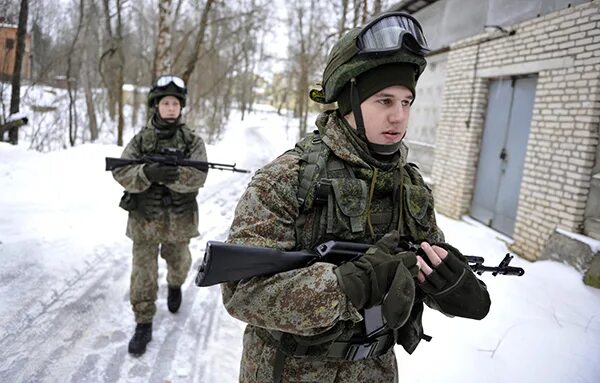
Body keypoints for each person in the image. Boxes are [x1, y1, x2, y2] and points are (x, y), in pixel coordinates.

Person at [221, 12, 491, 383]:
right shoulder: (288, 178)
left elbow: (427, 259)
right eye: (384, 101)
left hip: (376, 370)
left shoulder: (409, 185)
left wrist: (454, 286)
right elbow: (242, 293)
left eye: (407, 102)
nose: (399, 117)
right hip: (288, 372)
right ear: (349, 100)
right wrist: (346, 285)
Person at [112, 74, 208, 356]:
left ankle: (175, 286)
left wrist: (173, 175)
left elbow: (199, 175)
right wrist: (146, 173)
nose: (170, 108)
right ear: (156, 105)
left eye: (175, 103)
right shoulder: (141, 140)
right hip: (144, 219)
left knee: (180, 263)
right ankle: (143, 323)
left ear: (181, 108)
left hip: (179, 220)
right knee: (143, 274)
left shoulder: (192, 141)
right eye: (165, 103)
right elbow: (120, 170)